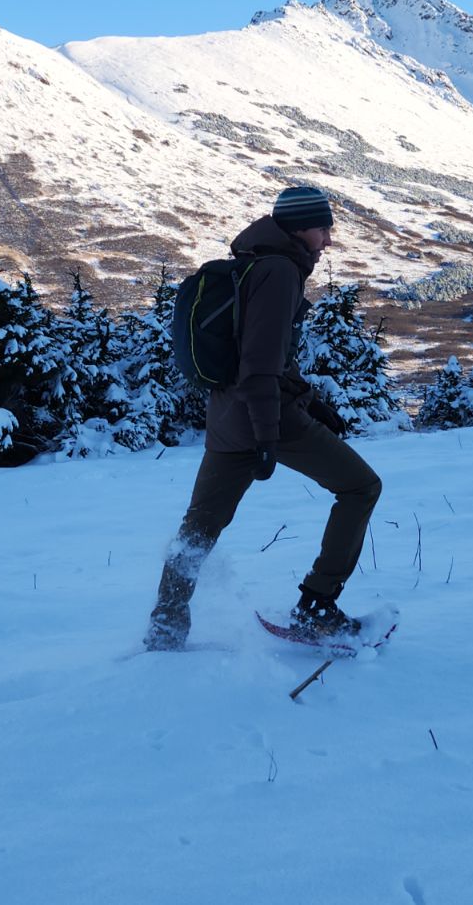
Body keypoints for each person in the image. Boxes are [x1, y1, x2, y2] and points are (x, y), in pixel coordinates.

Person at [143, 186, 383, 651]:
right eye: (322, 228)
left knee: (199, 528)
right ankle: (317, 606)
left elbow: (262, 358)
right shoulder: (279, 272)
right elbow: (260, 363)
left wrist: (310, 401)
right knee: (360, 487)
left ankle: (165, 629)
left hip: (228, 418)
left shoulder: (255, 261)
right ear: (298, 229)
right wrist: (269, 436)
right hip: (264, 417)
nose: (328, 240)